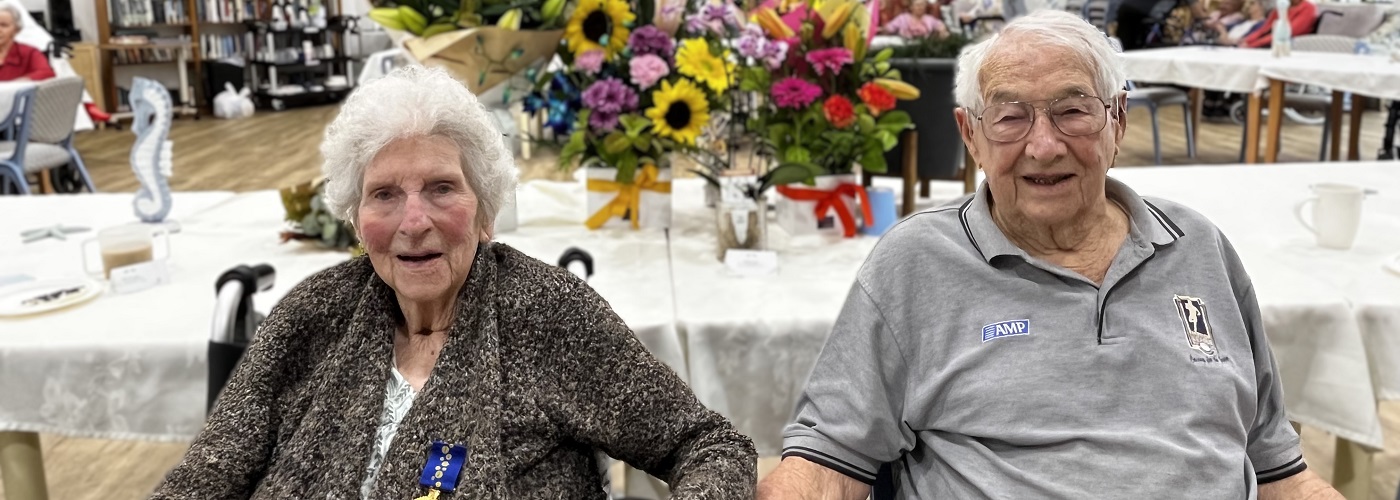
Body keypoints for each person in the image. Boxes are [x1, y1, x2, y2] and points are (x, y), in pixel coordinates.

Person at [757, 11, 1345, 500]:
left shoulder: (1199, 247)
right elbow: (827, 463)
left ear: (1117, 120)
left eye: (1073, 110)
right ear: (971, 135)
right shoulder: (915, 263)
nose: (1044, 145)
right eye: (1011, 117)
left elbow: (1278, 469)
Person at [150, 66, 756, 499]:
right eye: (384, 194)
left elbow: (707, 448)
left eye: (441, 188)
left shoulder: (545, 313)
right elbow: (209, 472)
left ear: (485, 210)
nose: (414, 222)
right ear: (357, 220)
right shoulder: (311, 314)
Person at [0, 4, 52, 82]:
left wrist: (17, 84)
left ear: (16, 30)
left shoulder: (29, 52)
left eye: (4, 25)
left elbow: (47, 73)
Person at [1238, 0, 1316, 48]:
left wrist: (1253, 45)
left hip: (1286, 45)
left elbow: (1288, 33)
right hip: (1266, 42)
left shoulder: (1308, 8)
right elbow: (1264, 29)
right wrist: (1247, 40)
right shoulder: (1282, 6)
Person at [883, 0, 949, 38]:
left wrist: (942, 30)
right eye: (917, 5)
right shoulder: (903, 18)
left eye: (922, 5)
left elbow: (940, 25)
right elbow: (888, 28)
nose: (920, 7)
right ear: (911, 7)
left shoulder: (929, 19)